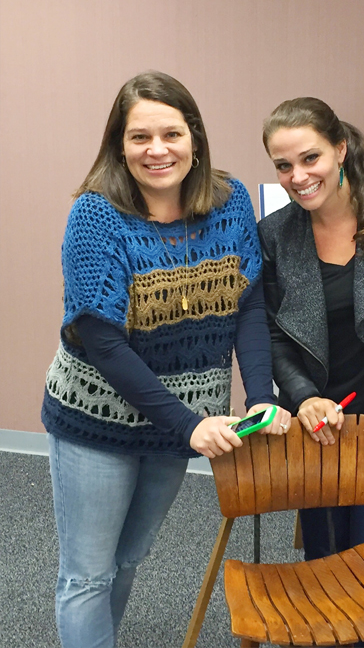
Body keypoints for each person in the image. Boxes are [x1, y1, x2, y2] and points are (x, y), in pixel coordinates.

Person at [41, 71, 290, 648]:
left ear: (195, 138)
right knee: (86, 574)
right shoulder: (96, 216)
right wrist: (190, 423)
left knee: (128, 561)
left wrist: (260, 397)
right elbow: (101, 341)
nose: (157, 150)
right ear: (119, 146)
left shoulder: (228, 204)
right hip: (96, 420)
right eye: (139, 137)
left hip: (182, 426)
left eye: (171, 133)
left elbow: (246, 306)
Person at [258, 97, 364, 569]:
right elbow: (273, 334)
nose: (298, 176)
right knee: (326, 560)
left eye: (310, 158)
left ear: (339, 149)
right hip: (319, 428)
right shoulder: (275, 234)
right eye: (283, 165)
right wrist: (302, 396)